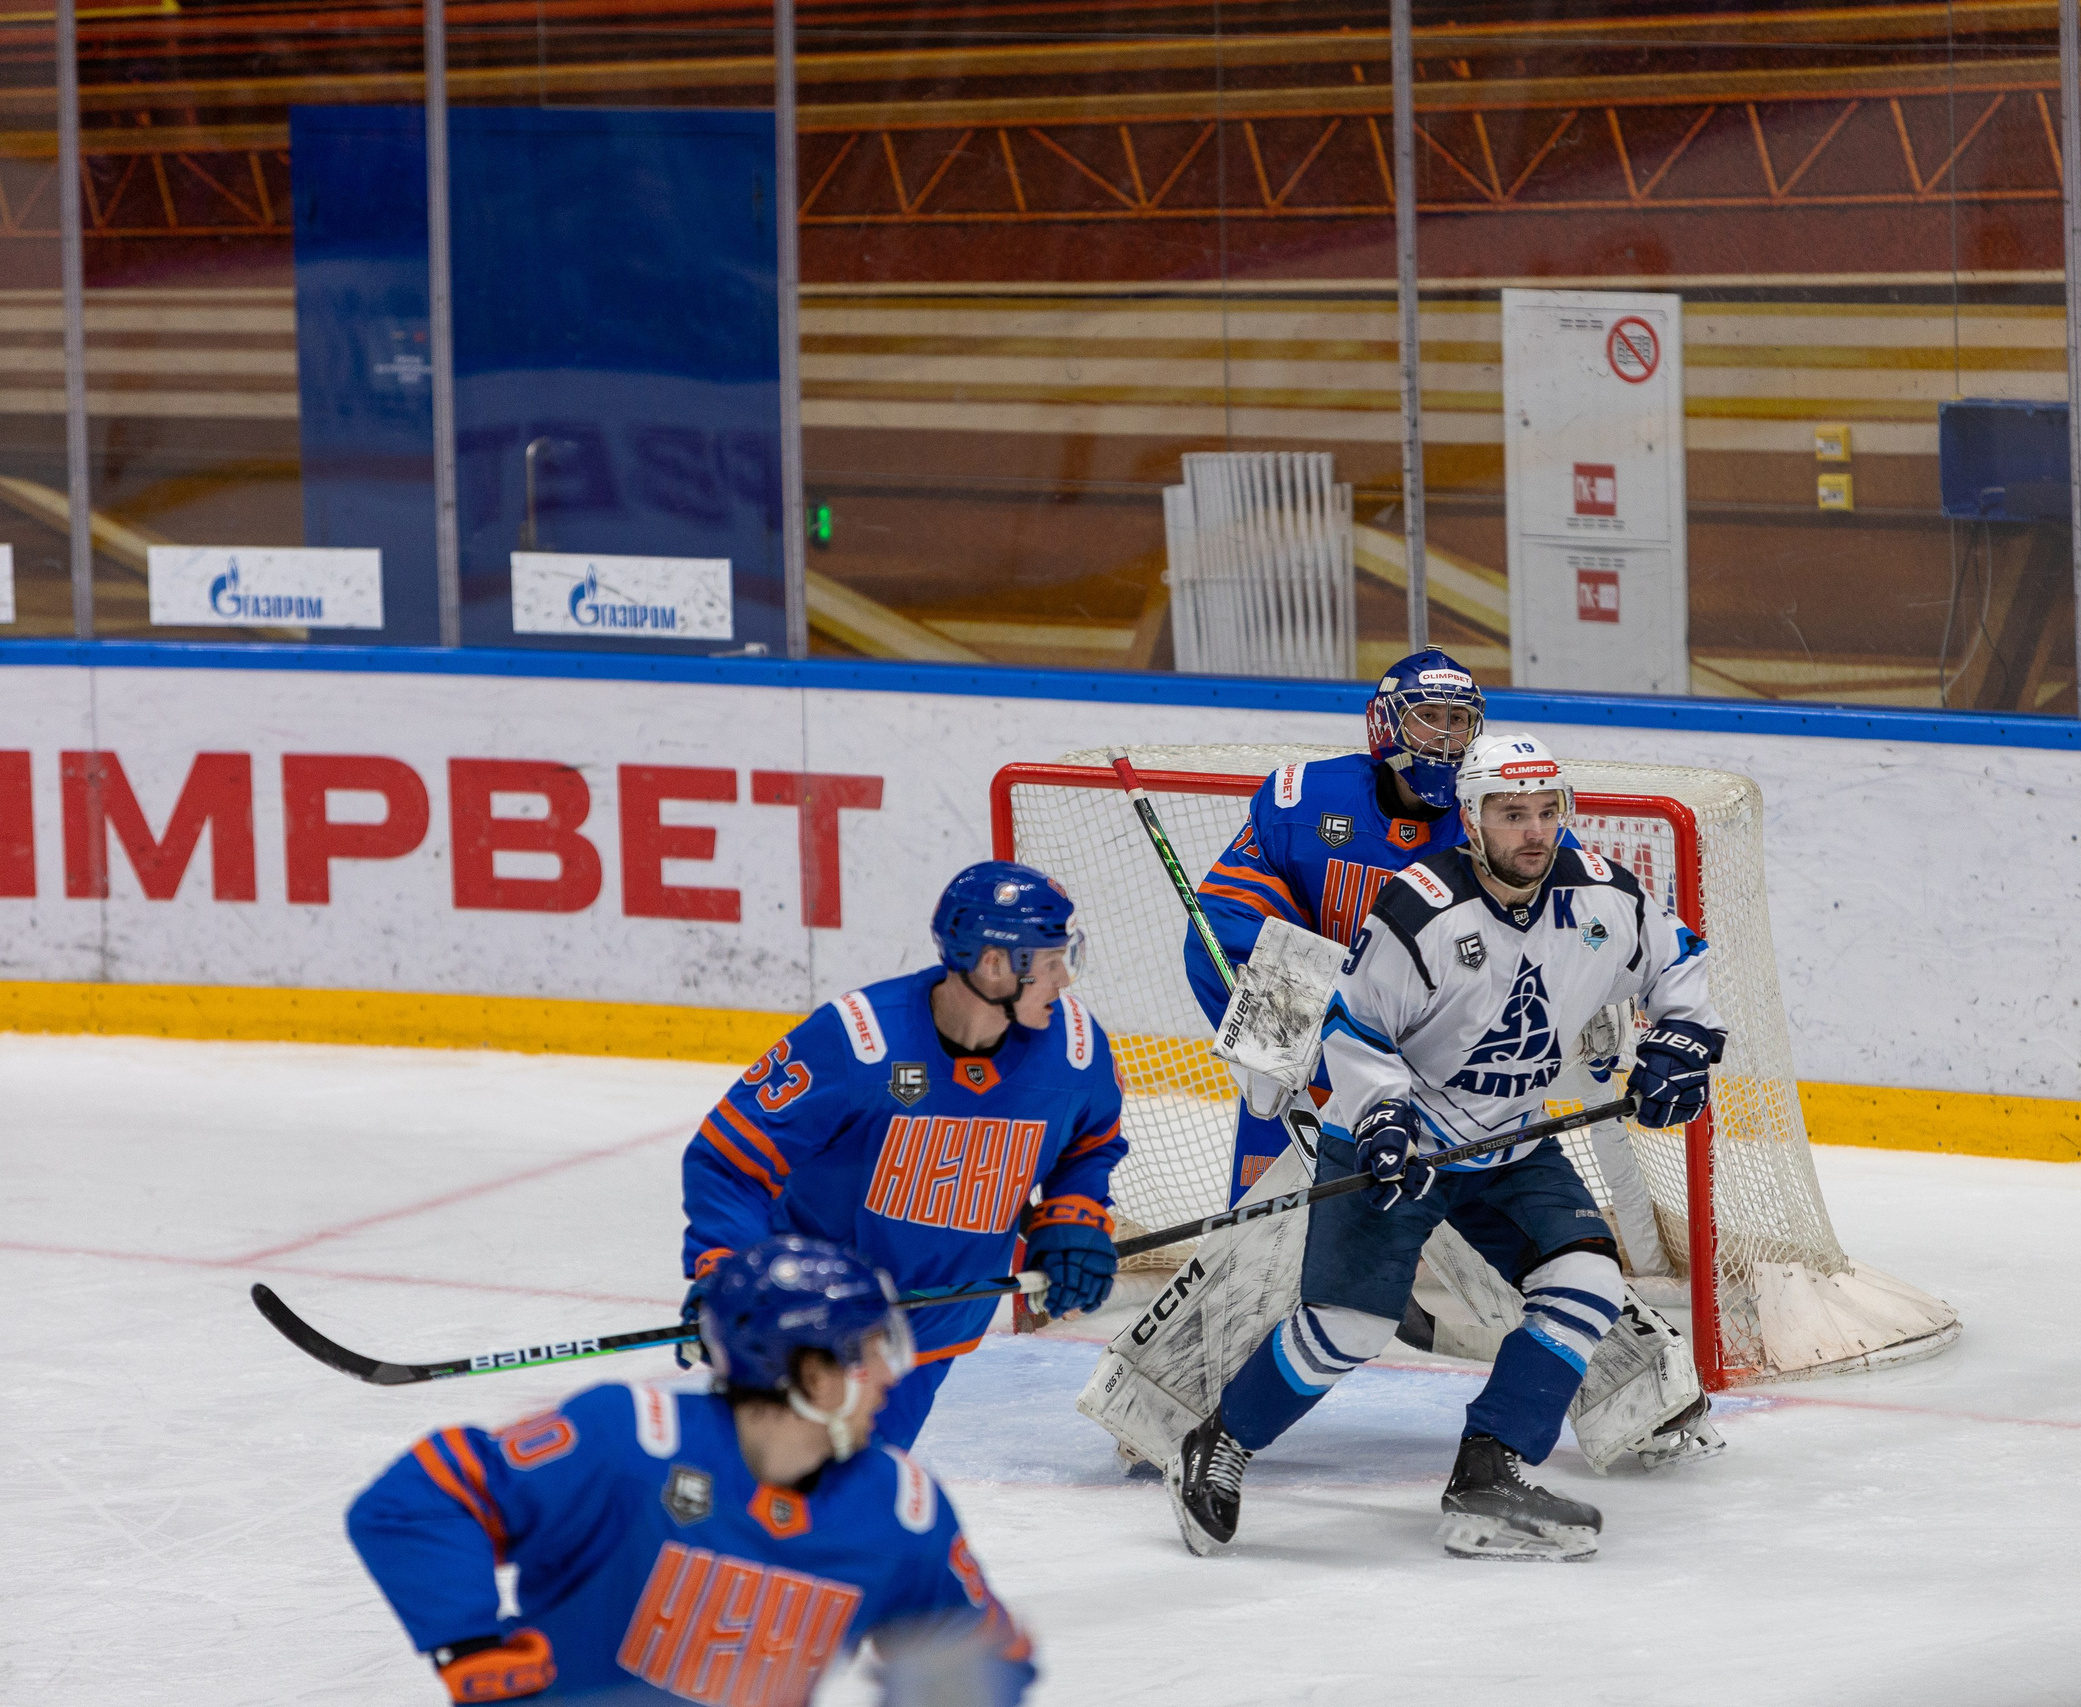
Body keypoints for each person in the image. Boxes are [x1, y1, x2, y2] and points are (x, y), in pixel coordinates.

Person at [1168, 731, 1728, 1562]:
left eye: (1548, 811)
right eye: (1512, 813)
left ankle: (1489, 1467)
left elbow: (1678, 960)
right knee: (1346, 1330)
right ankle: (1219, 1443)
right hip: (1395, 1139)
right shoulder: (1419, 908)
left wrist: (1682, 1040)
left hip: (1510, 1139)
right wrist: (1383, 1117)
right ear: (1471, 820)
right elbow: (1354, 1029)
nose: (1534, 831)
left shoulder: (1605, 895)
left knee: (1586, 1281)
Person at [346, 1235, 1035, 1706]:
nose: (890, 1372)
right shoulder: (626, 1443)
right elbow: (423, 1499)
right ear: (808, 1372)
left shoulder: (898, 1508)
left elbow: (983, 1651)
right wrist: (466, 1646)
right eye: (867, 1351)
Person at [682, 860, 1127, 1450]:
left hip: (931, 1333)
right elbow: (728, 1158)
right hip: (812, 1330)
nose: (1065, 981)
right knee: (766, 1509)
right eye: (1050, 964)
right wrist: (729, 1268)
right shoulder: (859, 1041)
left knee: (845, 1509)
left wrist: (1073, 1212)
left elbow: (1090, 1141)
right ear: (994, 965)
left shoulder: (1075, 1049)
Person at [1182, 648, 1485, 1201]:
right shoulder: (1303, 799)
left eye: (1458, 720)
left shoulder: (1495, 811)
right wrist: (1275, 1034)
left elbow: (1586, 911)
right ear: (1386, 723)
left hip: (1438, 1055)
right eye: (1429, 717)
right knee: (1262, 1238)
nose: (1445, 738)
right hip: (1310, 1047)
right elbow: (1221, 922)